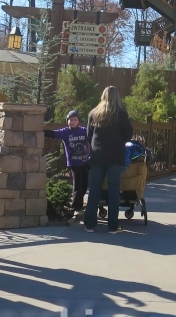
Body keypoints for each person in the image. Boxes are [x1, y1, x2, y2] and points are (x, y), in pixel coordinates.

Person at [83, 87, 133, 234]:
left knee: (94, 191)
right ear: (117, 97)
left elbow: (88, 135)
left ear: (103, 96)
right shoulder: (121, 114)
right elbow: (128, 134)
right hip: (115, 156)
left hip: (97, 155)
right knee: (113, 192)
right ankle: (113, 226)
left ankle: (90, 225)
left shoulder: (93, 113)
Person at [45, 109, 90, 221]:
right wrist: (40, 131)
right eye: (70, 119)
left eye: (75, 119)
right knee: (77, 186)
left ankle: (80, 205)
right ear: (67, 121)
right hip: (74, 163)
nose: (72, 121)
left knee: (84, 186)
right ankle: (75, 207)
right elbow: (53, 133)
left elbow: (95, 136)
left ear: (78, 121)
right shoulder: (65, 132)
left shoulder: (84, 131)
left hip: (85, 162)